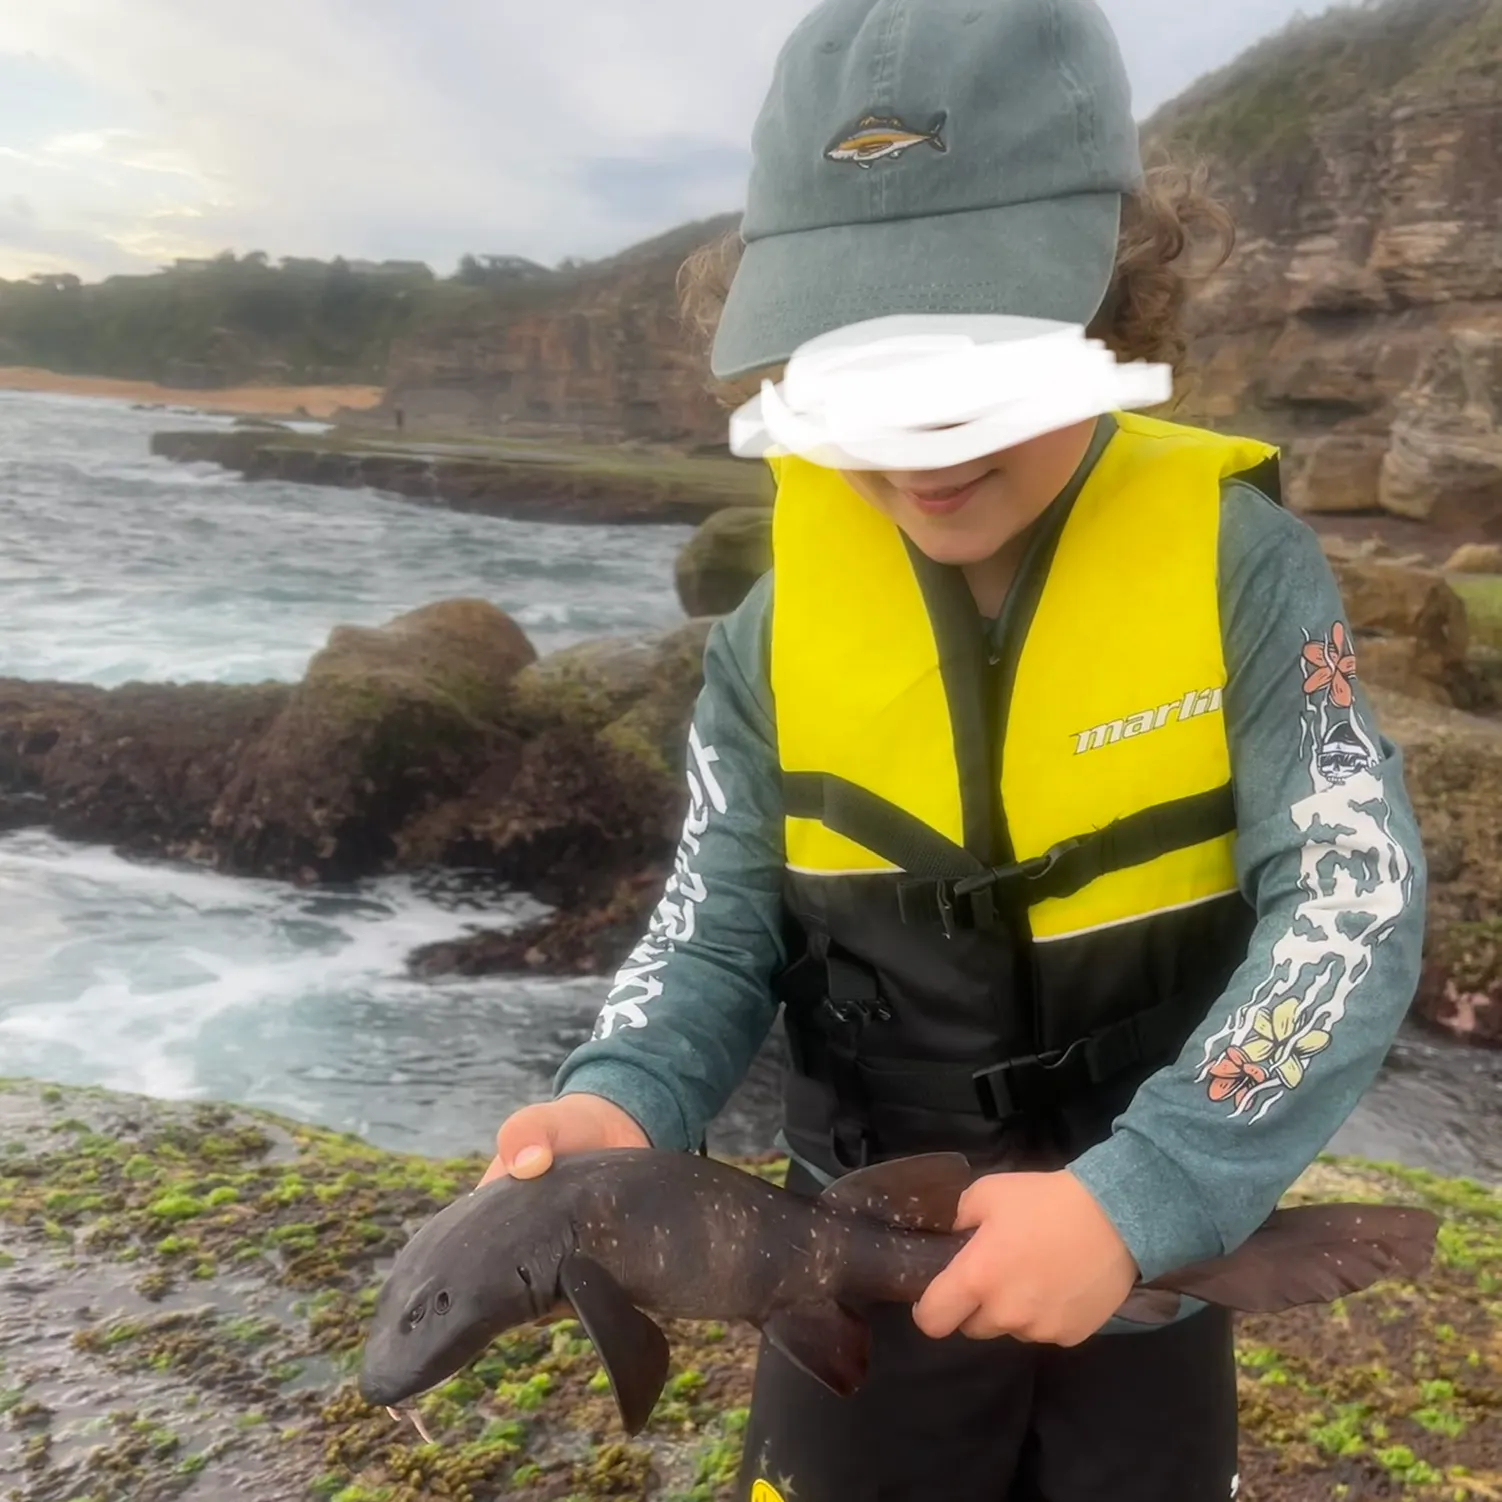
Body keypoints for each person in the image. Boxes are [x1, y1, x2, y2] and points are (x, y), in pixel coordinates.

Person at [479, 2, 1427, 1499]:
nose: (922, 448)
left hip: (1151, 1250)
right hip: (842, 1258)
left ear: (1112, 296)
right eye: (862, 365)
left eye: (978, 351)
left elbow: (1351, 899)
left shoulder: (1243, 573)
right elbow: (711, 928)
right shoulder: (766, 642)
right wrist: (623, 1096)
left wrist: (1148, 1190)